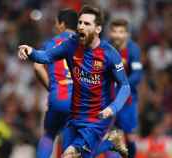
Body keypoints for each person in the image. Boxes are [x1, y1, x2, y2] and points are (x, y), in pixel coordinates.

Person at [18, 5, 131, 158]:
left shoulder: (110, 54)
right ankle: (111, 143)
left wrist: (113, 108)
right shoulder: (71, 45)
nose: (81, 27)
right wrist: (30, 51)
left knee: (69, 155)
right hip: (75, 115)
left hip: (97, 118)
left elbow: (124, 85)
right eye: (80, 23)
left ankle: (110, 143)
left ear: (98, 29)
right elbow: (45, 57)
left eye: (87, 24)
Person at [95, 18, 143, 158]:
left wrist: (121, 83)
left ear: (127, 34)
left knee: (129, 137)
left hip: (127, 100)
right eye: (114, 31)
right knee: (102, 133)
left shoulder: (133, 50)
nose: (117, 35)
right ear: (110, 33)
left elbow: (138, 74)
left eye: (121, 32)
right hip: (106, 99)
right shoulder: (104, 48)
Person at [34, 9, 77, 158]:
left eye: (56, 23)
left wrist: (51, 87)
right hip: (77, 99)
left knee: (49, 134)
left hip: (57, 95)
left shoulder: (51, 43)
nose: (56, 27)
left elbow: (37, 66)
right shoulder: (85, 44)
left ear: (62, 24)